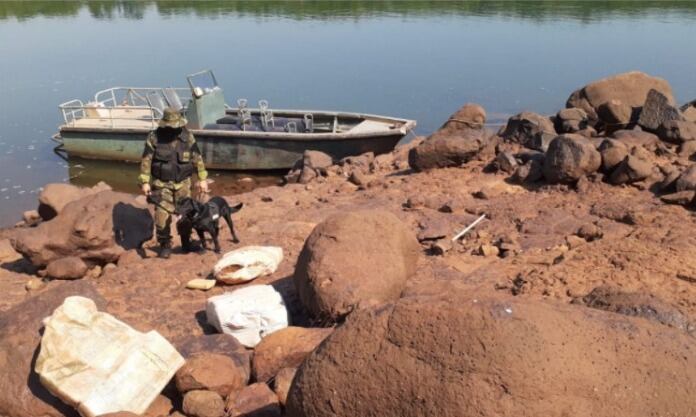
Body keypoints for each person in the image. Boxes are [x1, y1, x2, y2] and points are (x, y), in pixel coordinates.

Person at [138, 107, 208, 258]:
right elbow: (146, 160)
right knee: (162, 215)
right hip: (162, 184)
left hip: (183, 183)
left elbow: (197, 158)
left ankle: (186, 242)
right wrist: (144, 182)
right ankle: (165, 245)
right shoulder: (154, 137)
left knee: (186, 215)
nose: (173, 128)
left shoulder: (188, 136)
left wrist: (202, 179)